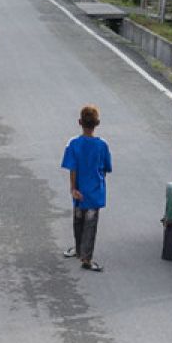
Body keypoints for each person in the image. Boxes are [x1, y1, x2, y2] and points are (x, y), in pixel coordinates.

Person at [61, 105, 113, 272]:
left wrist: (73, 188)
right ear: (97, 123)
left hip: (79, 190)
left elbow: (72, 167)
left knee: (78, 221)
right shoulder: (102, 145)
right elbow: (106, 168)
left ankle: (78, 249)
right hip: (95, 192)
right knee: (90, 225)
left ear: (79, 122)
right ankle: (87, 258)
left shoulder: (73, 144)